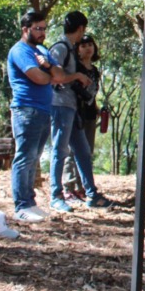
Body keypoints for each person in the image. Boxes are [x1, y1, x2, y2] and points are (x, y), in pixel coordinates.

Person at [49, 12, 115, 212]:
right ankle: (56, 195)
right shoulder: (61, 48)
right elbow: (54, 73)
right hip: (60, 105)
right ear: (80, 29)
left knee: (84, 152)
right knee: (60, 150)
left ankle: (91, 194)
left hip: (72, 107)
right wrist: (77, 75)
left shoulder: (69, 48)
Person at [6, 8, 64, 222]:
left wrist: (48, 66)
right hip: (26, 110)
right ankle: (21, 205)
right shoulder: (20, 51)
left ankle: (30, 202)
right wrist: (48, 74)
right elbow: (38, 77)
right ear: (25, 29)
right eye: (38, 28)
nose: (42, 33)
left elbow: (59, 75)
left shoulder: (42, 51)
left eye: (44, 28)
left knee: (33, 158)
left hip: (43, 110)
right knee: (24, 157)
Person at [62, 34, 102, 203]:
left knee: (87, 152)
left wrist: (97, 107)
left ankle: (82, 187)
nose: (87, 48)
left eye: (90, 44)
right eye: (83, 45)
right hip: (76, 113)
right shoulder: (75, 68)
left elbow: (93, 92)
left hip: (90, 114)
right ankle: (68, 188)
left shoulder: (95, 70)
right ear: (77, 49)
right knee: (72, 152)